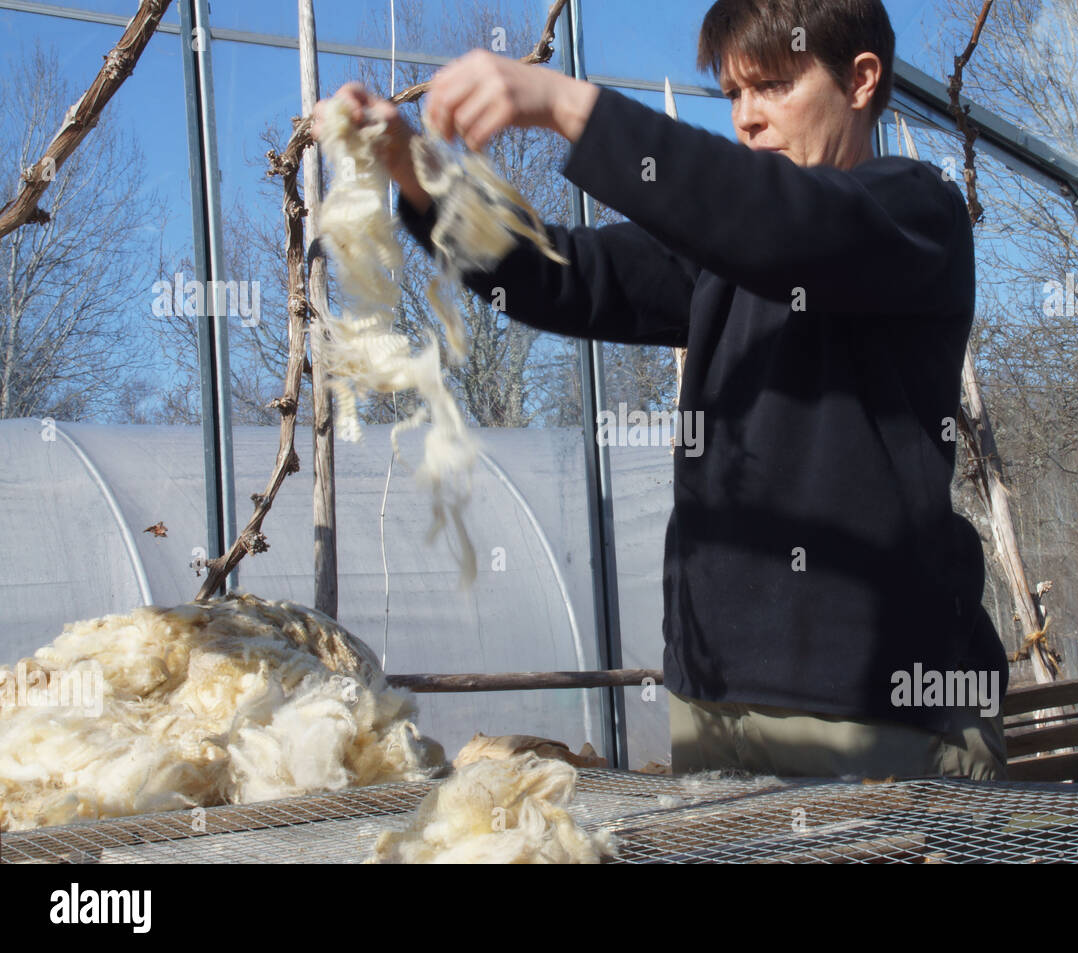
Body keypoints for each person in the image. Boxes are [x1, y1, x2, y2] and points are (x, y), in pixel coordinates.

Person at [314, 0, 1009, 780]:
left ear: (860, 81)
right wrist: (417, 171)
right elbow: (564, 275)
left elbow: (792, 227)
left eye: (773, 87)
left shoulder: (915, 213)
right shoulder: (731, 257)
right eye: (733, 96)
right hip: (713, 700)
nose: (747, 119)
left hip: (874, 708)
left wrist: (567, 106)